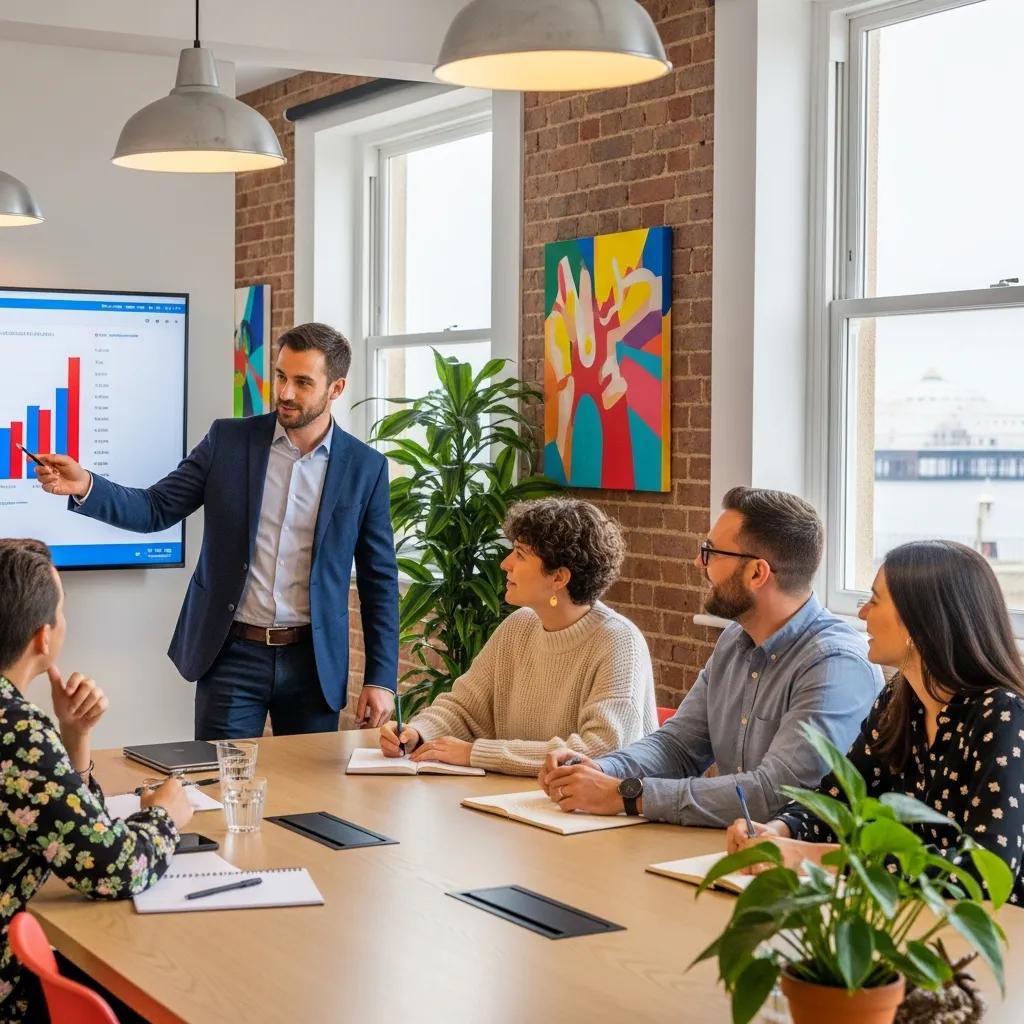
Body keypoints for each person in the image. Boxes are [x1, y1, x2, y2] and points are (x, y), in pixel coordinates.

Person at [35, 322, 399, 740]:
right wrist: (86, 485)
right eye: (280, 376)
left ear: (336, 389)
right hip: (232, 655)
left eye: (302, 382)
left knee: (310, 797)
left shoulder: (366, 468)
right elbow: (156, 508)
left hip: (314, 664)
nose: (284, 393)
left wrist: (381, 678)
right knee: (216, 785)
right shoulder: (229, 440)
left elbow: (378, 581)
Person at [539, 486, 881, 825]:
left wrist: (627, 795)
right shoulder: (735, 639)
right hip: (730, 852)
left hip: (802, 869)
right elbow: (680, 746)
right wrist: (600, 768)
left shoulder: (835, 665)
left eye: (711, 552)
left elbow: (774, 795)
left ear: (757, 573)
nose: (697, 562)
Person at [725, 540, 1024, 904]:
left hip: (997, 940)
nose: (863, 613)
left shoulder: (1002, 716)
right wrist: (776, 830)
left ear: (920, 621)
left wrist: (814, 857)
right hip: (906, 918)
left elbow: (988, 870)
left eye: (875, 600)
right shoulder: (899, 700)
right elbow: (838, 798)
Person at [0, 539, 193, 1024]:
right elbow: (111, 868)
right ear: (44, 637)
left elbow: (62, 826)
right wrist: (165, 815)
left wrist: (74, 738)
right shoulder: (16, 732)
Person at [380, 498, 658, 775]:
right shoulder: (518, 627)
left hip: (595, 816)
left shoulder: (619, 642)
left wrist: (477, 754)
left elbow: (601, 750)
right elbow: (464, 707)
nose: (505, 563)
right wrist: (417, 732)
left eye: (521, 555)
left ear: (558, 578)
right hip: (519, 800)